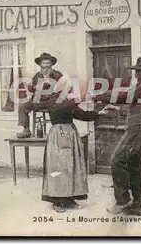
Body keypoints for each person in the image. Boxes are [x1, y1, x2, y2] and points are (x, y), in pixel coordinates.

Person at [94, 56, 141, 216]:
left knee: (117, 160)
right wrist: (118, 110)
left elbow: (123, 96)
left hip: (137, 130)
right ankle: (138, 205)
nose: (136, 74)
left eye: (137, 71)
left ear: (139, 73)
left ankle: (123, 201)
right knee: (134, 165)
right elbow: (137, 108)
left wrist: (99, 96)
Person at [41, 76, 113, 213]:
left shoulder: (69, 101)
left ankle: (69, 198)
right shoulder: (52, 99)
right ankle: (57, 200)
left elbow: (81, 114)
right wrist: (79, 99)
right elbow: (59, 109)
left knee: (71, 165)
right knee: (59, 166)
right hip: (58, 134)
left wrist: (98, 113)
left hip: (71, 133)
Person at [17, 52, 63, 138]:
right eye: (44, 63)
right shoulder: (37, 76)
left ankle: (59, 132)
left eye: (48, 63)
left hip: (53, 101)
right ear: (40, 65)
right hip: (38, 101)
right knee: (23, 107)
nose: (46, 65)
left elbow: (64, 87)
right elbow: (31, 89)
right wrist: (31, 86)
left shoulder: (57, 75)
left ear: (51, 64)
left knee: (60, 108)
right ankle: (26, 130)